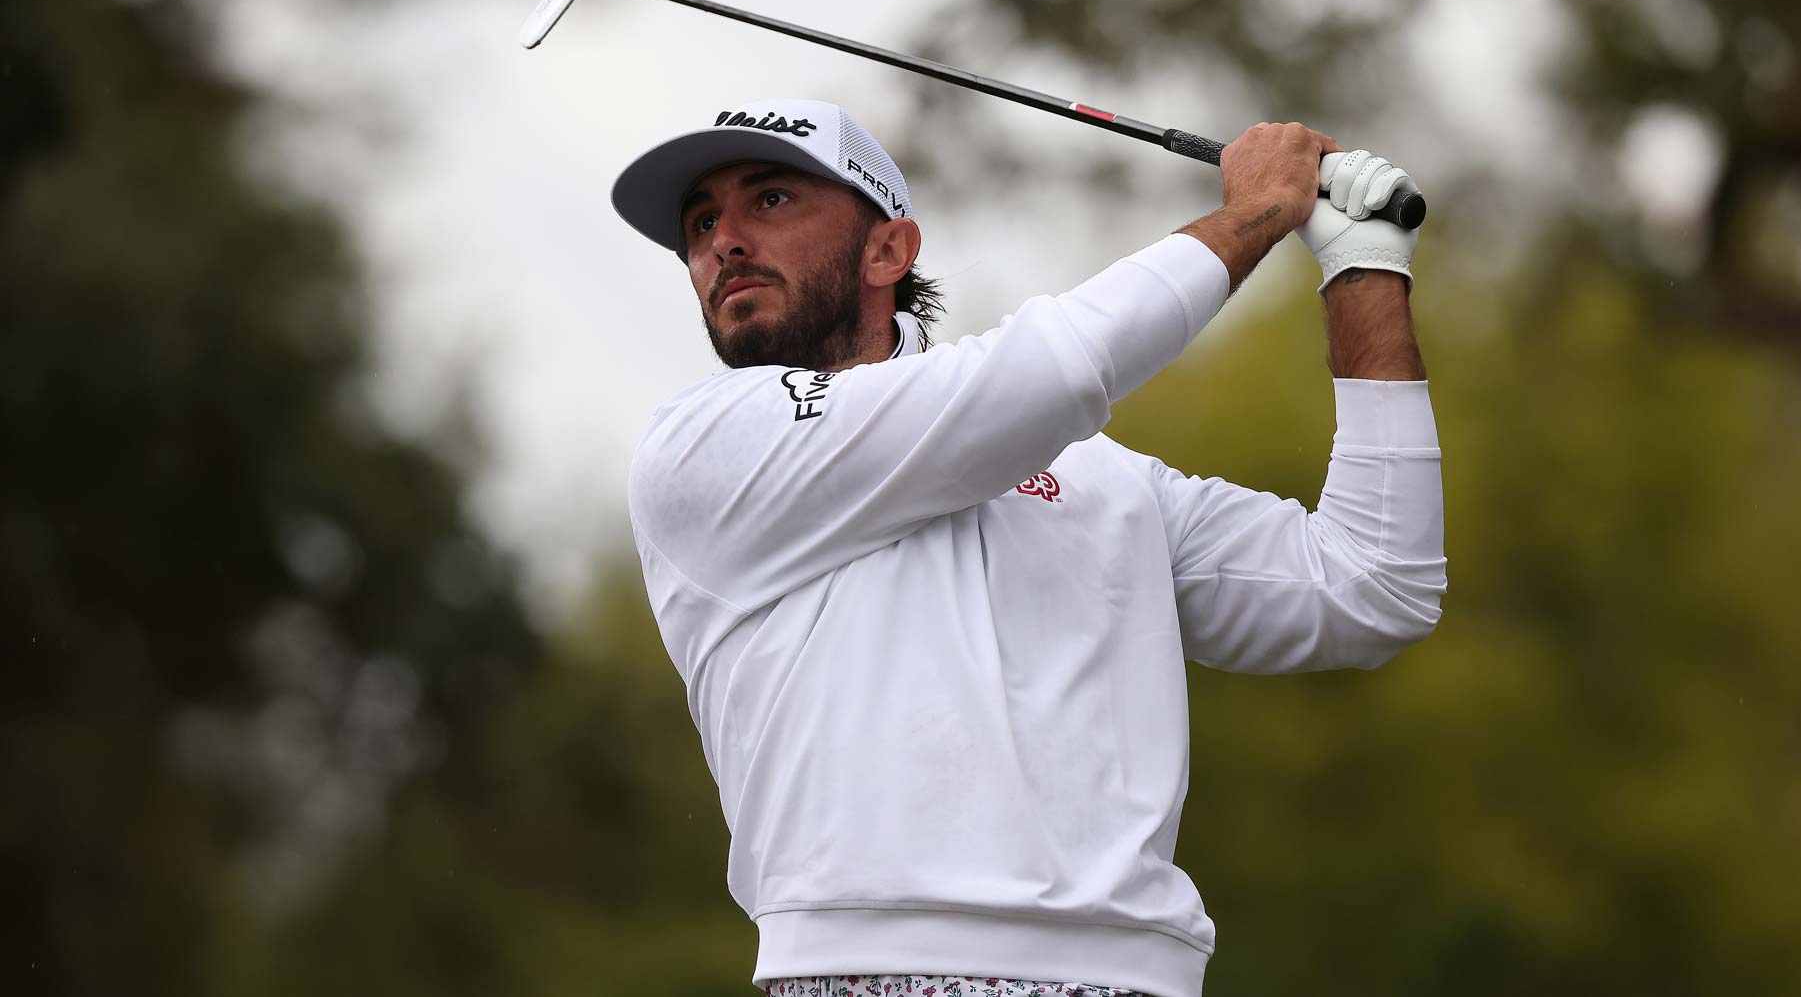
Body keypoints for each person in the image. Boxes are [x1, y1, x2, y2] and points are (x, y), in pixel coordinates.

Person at [614, 98, 1446, 997]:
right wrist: (1256, 215)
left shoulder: (1101, 478)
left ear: (888, 250)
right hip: (861, 972)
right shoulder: (705, 447)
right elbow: (1042, 373)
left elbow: (1371, 586)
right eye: (701, 224)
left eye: (768, 201)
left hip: (1140, 978)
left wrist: (1362, 266)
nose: (724, 241)